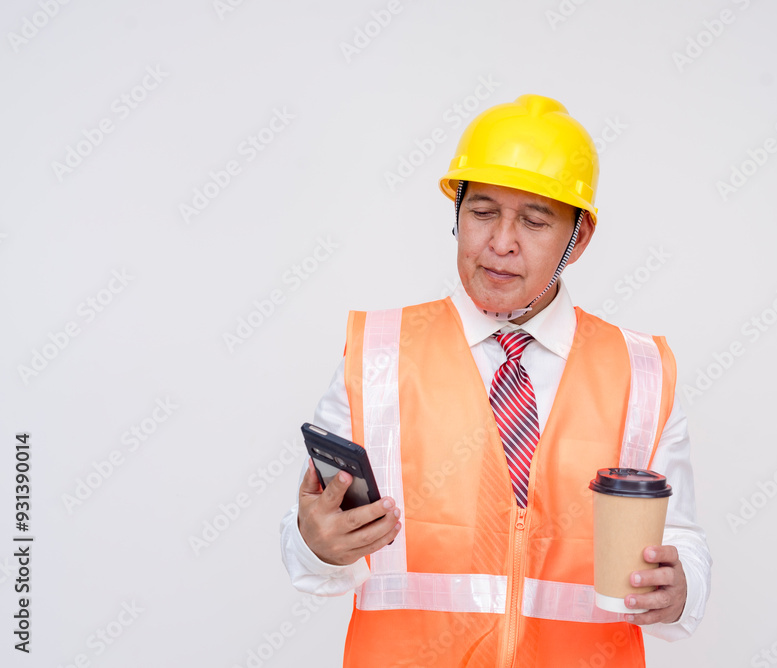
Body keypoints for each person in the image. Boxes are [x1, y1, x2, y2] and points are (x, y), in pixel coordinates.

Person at [279, 93, 712, 667]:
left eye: (534, 221)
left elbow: (679, 537)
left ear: (578, 239)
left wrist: (682, 592)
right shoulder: (378, 354)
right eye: (483, 212)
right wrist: (316, 545)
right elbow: (310, 544)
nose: (501, 242)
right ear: (456, 215)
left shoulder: (641, 371)